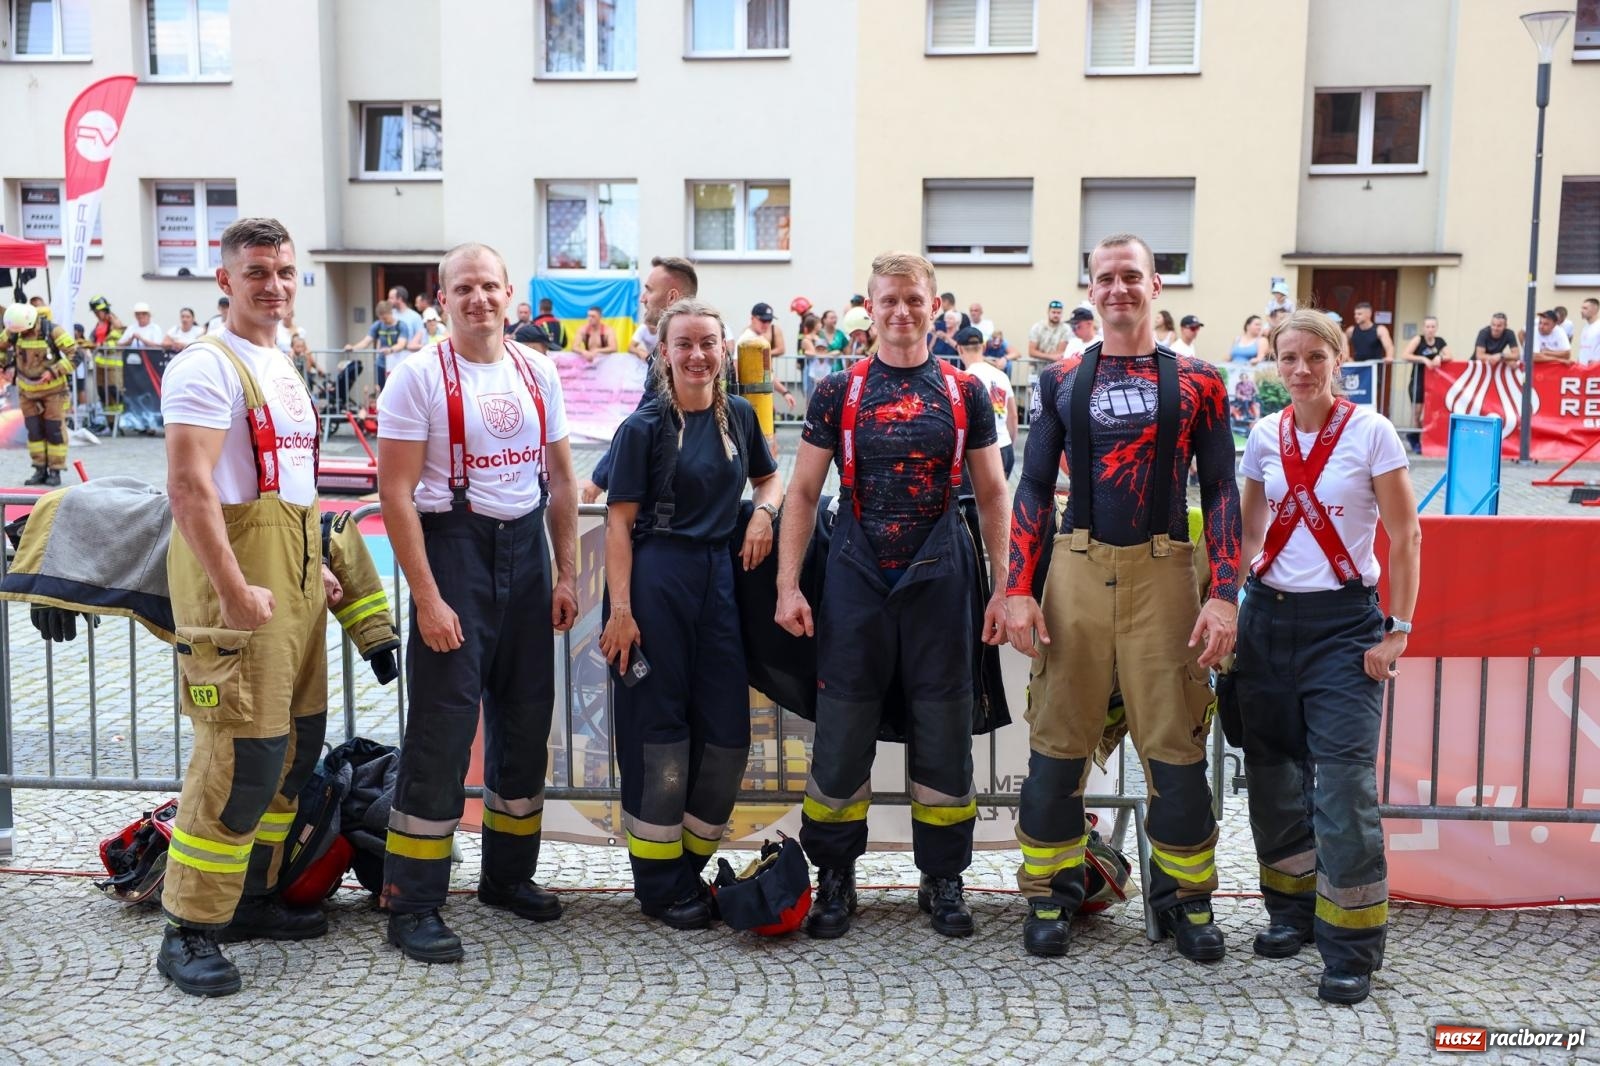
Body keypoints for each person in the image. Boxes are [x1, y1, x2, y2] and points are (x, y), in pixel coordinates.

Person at [1004, 232, 1240, 963]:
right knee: (1056, 743)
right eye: (1105, 278)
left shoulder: (1200, 380)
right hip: (1074, 570)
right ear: (1090, 287)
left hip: (1167, 571)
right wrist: (1017, 589)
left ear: (1156, 286)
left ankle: (1187, 902)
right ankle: (1048, 894)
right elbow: (1035, 486)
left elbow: (1224, 490)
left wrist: (1224, 594)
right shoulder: (1062, 380)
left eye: (1131, 275)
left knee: (1174, 746)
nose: (1118, 289)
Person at [776, 251, 1009, 941]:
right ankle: (835, 879)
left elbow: (993, 494)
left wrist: (1006, 588)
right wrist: (788, 584)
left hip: (942, 580)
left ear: (935, 308)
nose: (902, 312)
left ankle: (942, 878)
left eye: (915, 300)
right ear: (869, 309)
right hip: (855, 576)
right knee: (841, 739)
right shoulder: (837, 391)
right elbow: (802, 493)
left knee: (944, 736)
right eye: (889, 301)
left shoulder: (966, 391)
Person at [375, 242, 580, 964]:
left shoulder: (537, 368)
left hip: (525, 555)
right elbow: (394, 493)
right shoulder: (416, 377)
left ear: (510, 293)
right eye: (463, 288)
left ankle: (507, 877)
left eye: (489, 286)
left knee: (525, 724)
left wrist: (567, 575)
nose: (478, 300)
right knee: (441, 733)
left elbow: (560, 476)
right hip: (453, 553)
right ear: (442, 298)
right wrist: (427, 598)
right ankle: (413, 901)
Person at [157, 217, 334, 996]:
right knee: (239, 758)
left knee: (296, 744)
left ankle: (250, 899)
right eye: (257, 271)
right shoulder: (206, 366)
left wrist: (315, 567)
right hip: (235, 586)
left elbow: (294, 482)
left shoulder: (281, 359)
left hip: (290, 581)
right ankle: (188, 927)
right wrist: (232, 589)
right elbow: (191, 488)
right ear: (224, 280)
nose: (275, 285)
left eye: (286, 271)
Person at [1234, 308, 1421, 1006]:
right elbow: (1251, 531)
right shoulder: (1262, 434)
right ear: (1274, 365)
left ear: (1338, 359)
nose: (1301, 370)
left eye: (1315, 356)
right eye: (1289, 358)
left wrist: (1397, 629)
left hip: (1344, 627)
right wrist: (1229, 607)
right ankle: (1290, 913)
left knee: (1342, 791)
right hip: (1268, 623)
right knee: (1274, 779)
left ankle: (1351, 947)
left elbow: (1407, 536)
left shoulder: (1371, 432)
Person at [599, 297, 782, 928]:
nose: (698, 355)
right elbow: (617, 526)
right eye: (685, 344)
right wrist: (620, 612)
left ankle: (689, 869)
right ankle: (657, 885)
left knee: (728, 735)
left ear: (724, 348)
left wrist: (763, 512)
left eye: (709, 343)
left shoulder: (738, 413)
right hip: (656, 577)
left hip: (719, 580)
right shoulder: (642, 428)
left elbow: (771, 480)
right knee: (661, 737)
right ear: (665, 353)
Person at [582, 255, 701, 504]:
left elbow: (642, 420)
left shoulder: (671, 354)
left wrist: (600, 477)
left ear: (672, 298)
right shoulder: (706, 346)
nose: (642, 298)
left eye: (648, 290)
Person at [0, 303, 76, 485]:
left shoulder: (53, 331)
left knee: (54, 430)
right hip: (27, 391)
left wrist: (54, 371)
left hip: (54, 391)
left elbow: (75, 355)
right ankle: (39, 469)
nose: (22, 335)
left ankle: (55, 471)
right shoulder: (14, 331)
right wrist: (4, 365)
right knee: (34, 431)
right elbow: (1, 347)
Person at [955, 327, 1016, 478]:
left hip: (979, 452)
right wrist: (1009, 444)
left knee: (973, 501)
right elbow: (1013, 416)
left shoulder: (962, 379)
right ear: (983, 347)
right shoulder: (1001, 376)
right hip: (1004, 445)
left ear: (959, 349)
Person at [1400, 317, 1451, 453]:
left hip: (1433, 384)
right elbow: (1405, 355)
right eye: (1428, 327)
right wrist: (1423, 359)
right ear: (1424, 328)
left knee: (1431, 412)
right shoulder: (1418, 339)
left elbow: (1450, 355)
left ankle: (1426, 439)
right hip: (1417, 381)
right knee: (1416, 413)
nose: (1430, 329)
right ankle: (1414, 439)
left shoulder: (1440, 341)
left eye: (1433, 327)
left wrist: (1440, 357)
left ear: (1436, 328)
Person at [344, 302, 412, 391]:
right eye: (381, 318)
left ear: (390, 313)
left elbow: (401, 344)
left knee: (398, 390)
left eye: (385, 317)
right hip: (381, 364)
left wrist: (391, 350)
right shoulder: (378, 325)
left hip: (397, 363)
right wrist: (353, 347)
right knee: (382, 390)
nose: (383, 320)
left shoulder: (401, 325)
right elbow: (366, 341)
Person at [88, 296, 125, 418]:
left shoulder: (115, 322)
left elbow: (117, 340)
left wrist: (99, 345)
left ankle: (118, 422)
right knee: (103, 393)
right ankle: (109, 422)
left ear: (105, 310)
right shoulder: (99, 324)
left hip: (113, 365)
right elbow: (95, 339)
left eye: (98, 312)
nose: (97, 315)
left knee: (114, 391)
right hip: (100, 364)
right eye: (95, 312)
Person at [1578, 298, 1600, 366]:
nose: (1581, 311)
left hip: (1596, 369)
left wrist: (1598, 362)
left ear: (1594, 310)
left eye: (1585, 308)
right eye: (1582, 308)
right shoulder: (1585, 327)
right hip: (1583, 368)